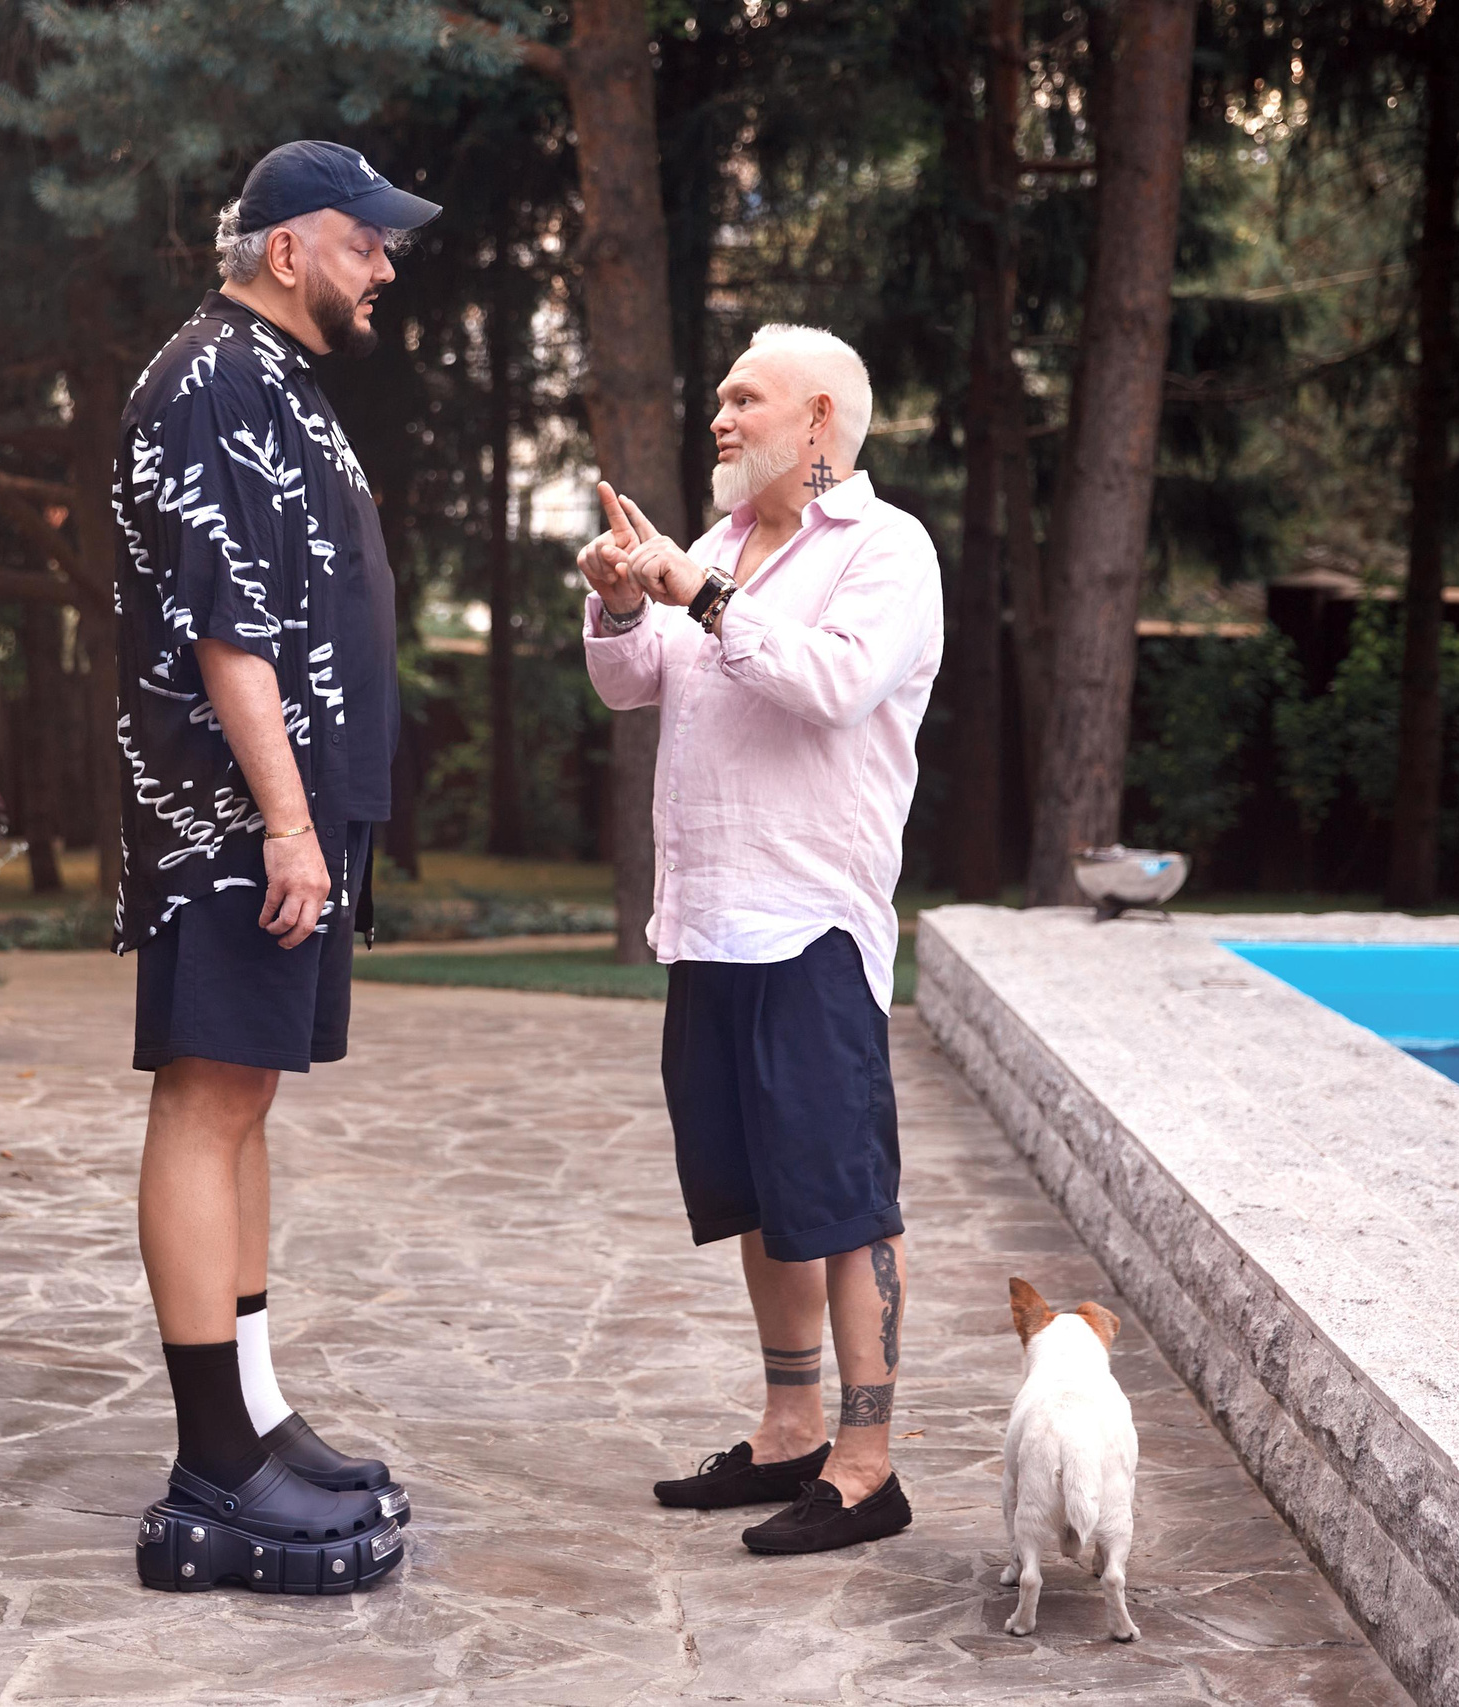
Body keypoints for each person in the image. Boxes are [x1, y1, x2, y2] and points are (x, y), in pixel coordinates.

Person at [110, 140, 439, 1594]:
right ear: (294, 246)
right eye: (368, 241)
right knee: (206, 1090)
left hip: (284, 808)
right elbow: (224, 625)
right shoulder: (211, 379)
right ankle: (213, 1460)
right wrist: (287, 821)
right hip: (233, 818)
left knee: (243, 1099)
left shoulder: (273, 377)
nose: (387, 263)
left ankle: (251, 1410)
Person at [579, 324, 942, 1557]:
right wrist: (621, 600)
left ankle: (869, 1460)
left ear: (822, 423)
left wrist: (702, 595)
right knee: (756, 1197)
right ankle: (789, 1432)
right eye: (720, 394)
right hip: (709, 920)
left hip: (813, 925)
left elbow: (831, 685)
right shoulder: (724, 542)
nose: (720, 416)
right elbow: (637, 687)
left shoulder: (885, 551)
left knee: (840, 1201)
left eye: (747, 399)